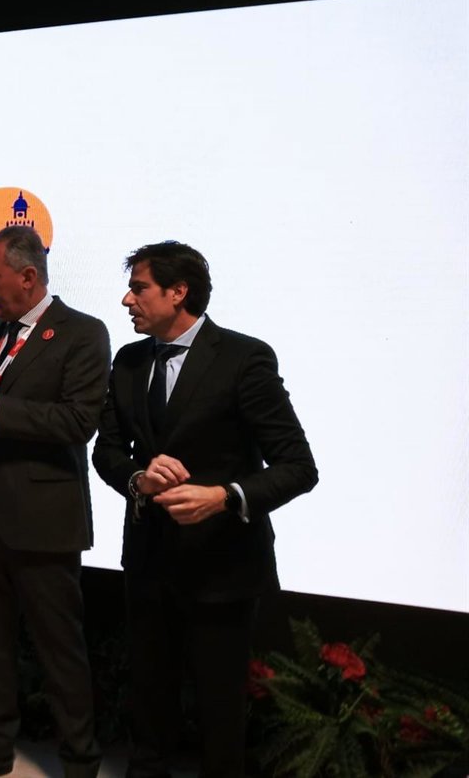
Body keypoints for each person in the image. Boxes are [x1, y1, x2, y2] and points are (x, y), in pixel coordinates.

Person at [92, 241, 318, 778]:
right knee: (149, 706)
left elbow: (298, 466)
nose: (126, 300)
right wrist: (138, 479)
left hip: (223, 571)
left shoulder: (244, 358)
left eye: (139, 288)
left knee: (220, 716)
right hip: (148, 565)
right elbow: (106, 452)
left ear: (178, 292)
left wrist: (224, 496)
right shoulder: (128, 361)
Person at [0, 225, 110, 778]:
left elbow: (79, 421)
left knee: (60, 650)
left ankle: (80, 763)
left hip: (44, 520)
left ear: (27, 276)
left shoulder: (83, 333)